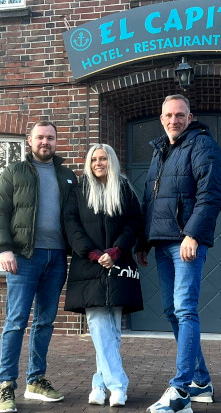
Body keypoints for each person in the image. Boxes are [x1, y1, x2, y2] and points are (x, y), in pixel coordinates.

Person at [135, 95, 221, 413]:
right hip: (162, 243)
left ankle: (180, 390)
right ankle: (201, 381)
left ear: (190, 117)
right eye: (168, 115)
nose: (173, 120)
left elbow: (212, 193)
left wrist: (193, 234)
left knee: (186, 310)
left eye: (179, 115)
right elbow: (150, 199)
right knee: (171, 311)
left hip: (186, 243)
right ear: (161, 119)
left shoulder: (202, 144)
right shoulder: (160, 150)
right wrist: (143, 241)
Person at [0, 120, 77, 413]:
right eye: (40, 137)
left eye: (50, 138)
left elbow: (76, 216)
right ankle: (6, 385)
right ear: (30, 140)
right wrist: (4, 248)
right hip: (24, 257)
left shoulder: (67, 175)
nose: (45, 142)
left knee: (45, 322)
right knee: (16, 321)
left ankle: (36, 380)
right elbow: (0, 212)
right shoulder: (14, 172)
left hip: (57, 257)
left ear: (56, 141)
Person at [63, 143, 143, 407]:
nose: (98, 163)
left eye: (103, 159)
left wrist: (116, 251)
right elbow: (71, 224)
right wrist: (93, 253)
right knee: (98, 325)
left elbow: (134, 223)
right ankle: (118, 386)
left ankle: (99, 385)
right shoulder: (79, 190)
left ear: (112, 162)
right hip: (89, 267)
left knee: (113, 331)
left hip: (118, 266)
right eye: (94, 159)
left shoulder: (124, 189)